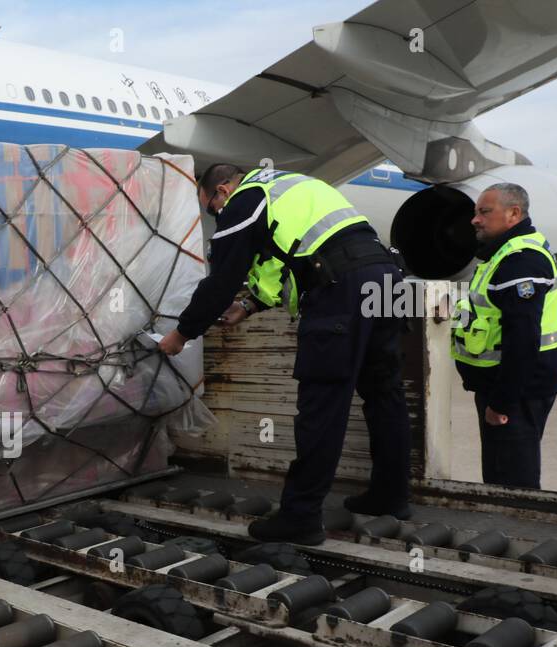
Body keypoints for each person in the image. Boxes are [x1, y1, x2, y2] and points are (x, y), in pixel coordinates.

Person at [159, 163, 411, 544]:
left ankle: (302, 516)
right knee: (384, 394)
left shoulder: (247, 199)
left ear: (223, 190)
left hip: (341, 287)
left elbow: (222, 280)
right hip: (387, 281)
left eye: (211, 208)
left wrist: (181, 334)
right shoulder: (292, 186)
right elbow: (288, 262)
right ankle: (391, 496)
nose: (216, 216)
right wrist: (251, 306)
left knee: (323, 402)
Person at [452, 183, 557, 489]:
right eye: (476, 212)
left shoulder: (521, 261)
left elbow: (522, 340)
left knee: (512, 482)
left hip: (517, 392)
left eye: (484, 212)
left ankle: (516, 533)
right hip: (503, 387)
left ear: (514, 214)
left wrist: (502, 403)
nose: (475, 219)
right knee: (501, 472)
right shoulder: (500, 256)